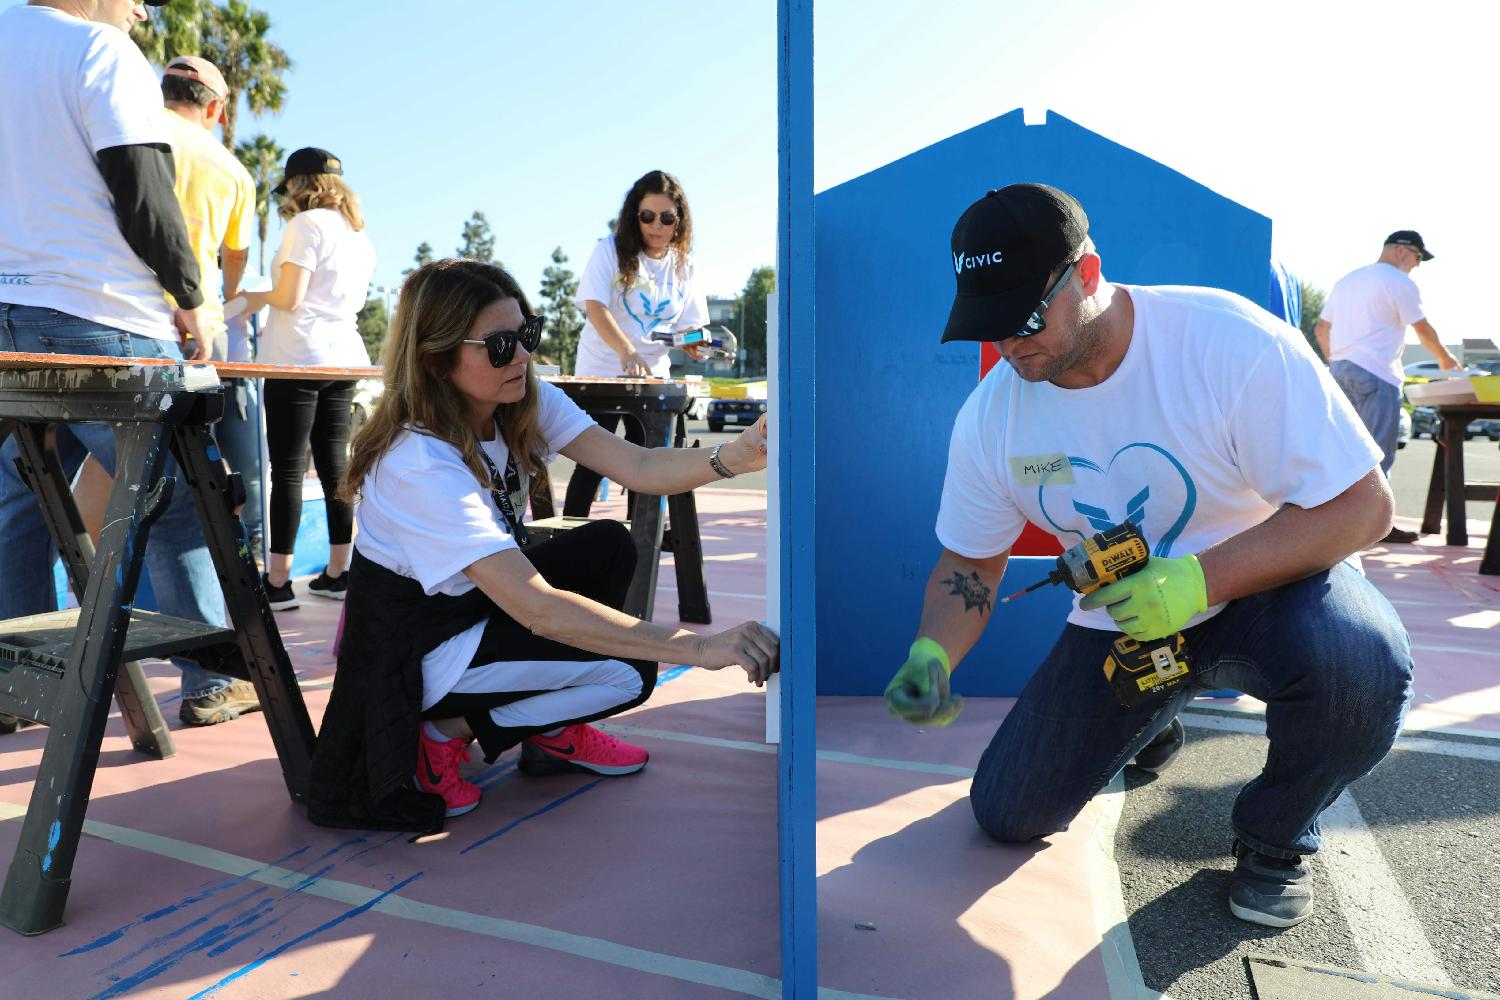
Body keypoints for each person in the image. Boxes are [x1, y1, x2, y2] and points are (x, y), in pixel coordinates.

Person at [884, 183, 1413, 929]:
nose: (1010, 346)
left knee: (1362, 667)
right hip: (1127, 624)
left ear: (1089, 273)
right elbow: (970, 565)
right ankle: (1153, 717)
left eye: (1026, 316)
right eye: (989, 325)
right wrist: (931, 653)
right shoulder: (994, 417)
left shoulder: (1230, 343)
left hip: (1273, 591)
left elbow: (1365, 506)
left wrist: (1201, 578)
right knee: (1008, 812)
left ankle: (1275, 838)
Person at [305, 258, 777, 832]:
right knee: (628, 671)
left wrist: (738, 456)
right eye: (501, 344)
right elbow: (537, 608)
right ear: (437, 356)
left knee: (607, 545)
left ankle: (547, 736)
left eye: (525, 333)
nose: (523, 355)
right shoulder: (417, 462)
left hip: (470, 608)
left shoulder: (518, 397)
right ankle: (438, 733)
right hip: (411, 650)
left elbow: (637, 464)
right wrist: (701, 650)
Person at [0, 0, 257, 728]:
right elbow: (142, 190)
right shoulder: (98, 50)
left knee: (17, 505)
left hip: (7, 317)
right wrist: (189, 295)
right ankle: (212, 676)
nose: (141, 8)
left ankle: (16, 683)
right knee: (173, 497)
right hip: (103, 314)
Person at [233, 146, 376, 610]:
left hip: (297, 357)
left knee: (289, 469)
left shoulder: (304, 225)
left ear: (298, 184)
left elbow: (290, 297)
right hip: (344, 358)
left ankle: (278, 583)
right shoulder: (358, 234)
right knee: (336, 465)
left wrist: (251, 298)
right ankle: (339, 573)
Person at [563, 169, 712, 518]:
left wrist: (694, 345)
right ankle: (568, 546)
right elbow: (595, 308)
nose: (656, 225)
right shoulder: (608, 251)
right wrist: (626, 351)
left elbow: (692, 325)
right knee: (593, 462)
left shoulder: (684, 265)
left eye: (666, 218)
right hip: (601, 373)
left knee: (647, 465)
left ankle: (637, 553)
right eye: (647, 216)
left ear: (679, 221)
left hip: (653, 378)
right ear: (635, 216)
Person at [1315, 231, 1460, 544]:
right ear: (1401, 251)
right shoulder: (1399, 282)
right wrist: (1448, 362)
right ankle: (1375, 528)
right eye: (1418, 258)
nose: (1417, 266)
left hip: (1341, 371)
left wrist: (1339, 360)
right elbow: (1422, 328)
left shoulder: (1348, 280)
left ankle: (1333, 525)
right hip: (1377, 373)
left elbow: (1321, 328)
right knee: (1378, 454)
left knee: (1344, 450)